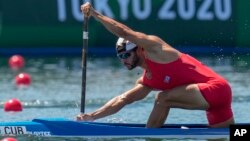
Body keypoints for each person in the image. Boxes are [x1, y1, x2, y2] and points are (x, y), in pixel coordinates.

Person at [77, 2, 235, 128]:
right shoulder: (148, 80)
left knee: (162, 98)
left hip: (216, 89)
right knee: (232, 135)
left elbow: (124, 32)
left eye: (126, 55)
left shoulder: (155, 49)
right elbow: (123, 99)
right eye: (120, 56)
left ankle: (149, 136)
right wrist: (92, 116)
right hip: (215, 102)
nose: (123, 60)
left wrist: (95, 14)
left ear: (139, 50)